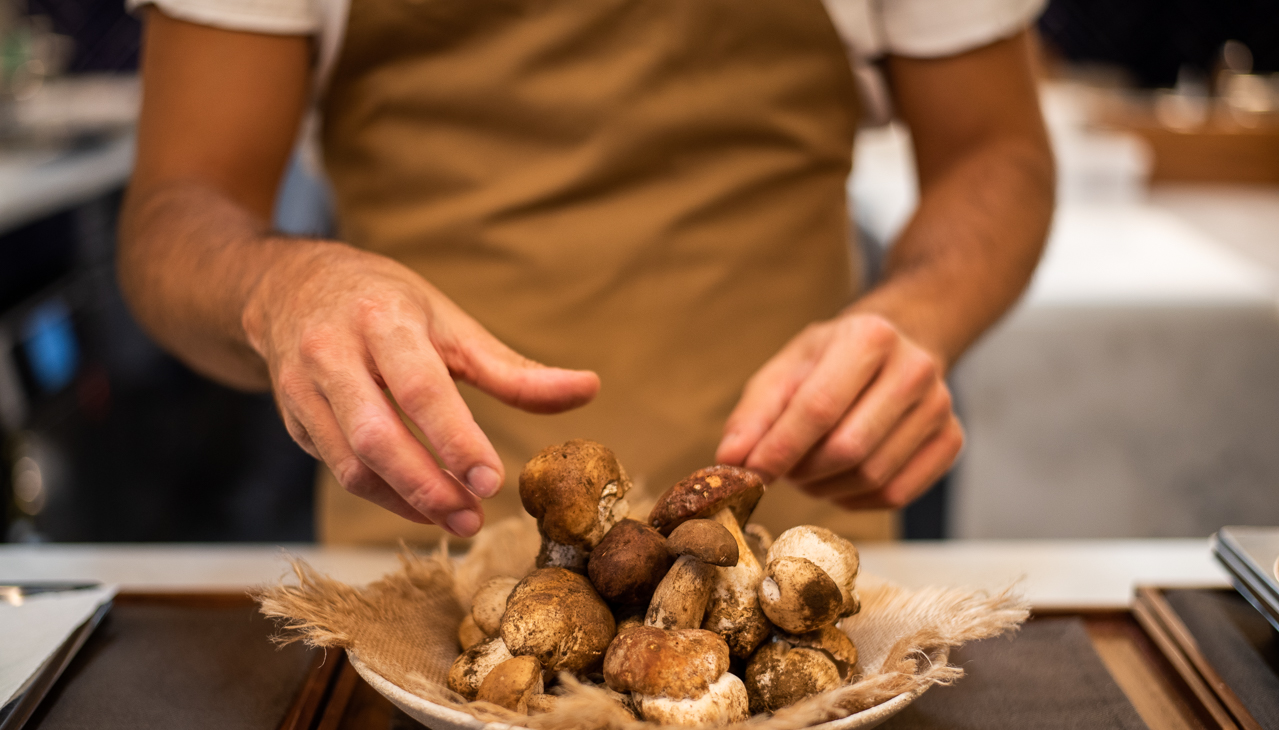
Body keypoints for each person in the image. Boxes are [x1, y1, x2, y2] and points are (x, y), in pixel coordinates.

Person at [117, 0, 1055, 546]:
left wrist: (918, 313)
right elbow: (176, 209)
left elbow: (996, 154)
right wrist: (285, 290)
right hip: (427, 580)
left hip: (782, 576)